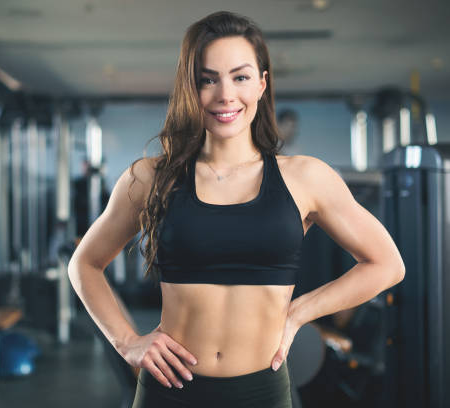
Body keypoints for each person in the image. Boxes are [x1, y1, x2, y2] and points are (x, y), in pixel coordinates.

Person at [67, 11, 405, 408]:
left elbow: (387, 263)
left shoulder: (306, 178)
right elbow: (84, 264)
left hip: (261, 393)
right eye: (207, 79)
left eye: (240, 77)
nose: (225, 94)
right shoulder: (150, 177)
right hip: (169, 393)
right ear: (190, 89)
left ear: (262, 84)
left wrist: (299, 313)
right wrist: (127, 342)